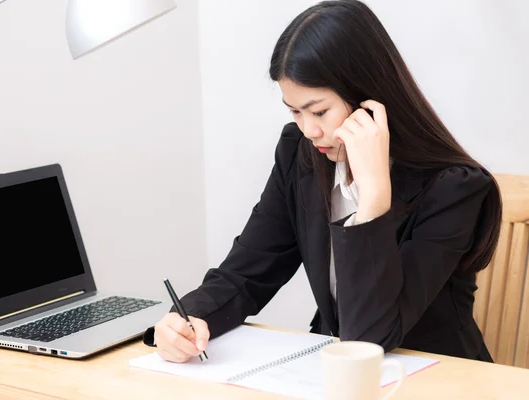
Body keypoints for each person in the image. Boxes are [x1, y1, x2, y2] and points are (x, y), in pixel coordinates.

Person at [144, 0, 502, 363]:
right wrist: (187, 319)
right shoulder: (300, 155)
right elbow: (249, 271)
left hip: (439, 377)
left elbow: (371, 338)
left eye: (319, 111)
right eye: (295, 111)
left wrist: (373, 199)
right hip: (337, 375)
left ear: (369, 95)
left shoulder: (454, 189)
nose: (309, 130)